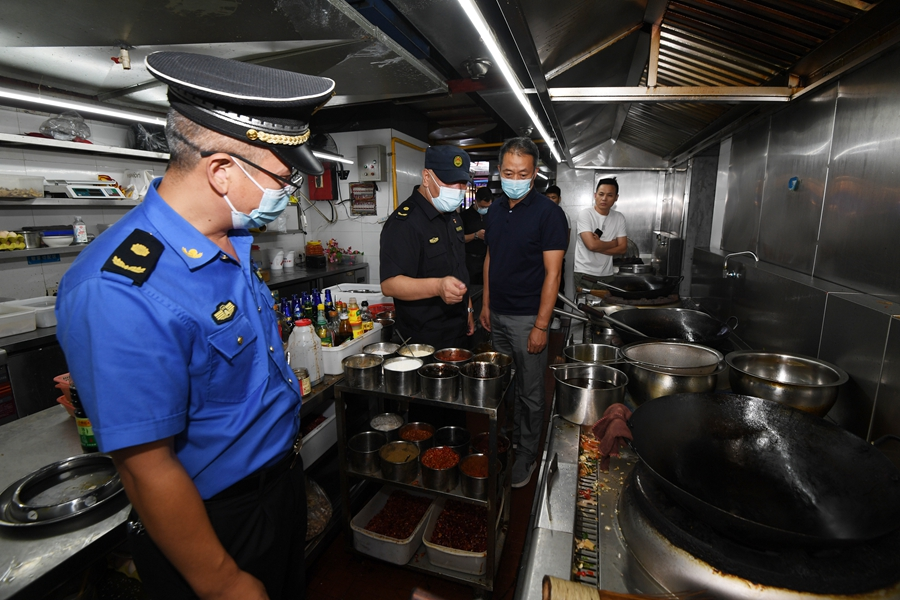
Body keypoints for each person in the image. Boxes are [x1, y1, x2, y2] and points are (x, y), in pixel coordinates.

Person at [55, 52, 334, 600]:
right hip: (212, 524)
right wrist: (222, 582)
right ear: (222, 170)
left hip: (278, 488)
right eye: (284, 178)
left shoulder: (230, 239)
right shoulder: (120, 288)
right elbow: (146, 468)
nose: (289, 192)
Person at [480, 138, 567, 489]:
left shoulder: (549, 214)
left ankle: (527, 453)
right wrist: (486, 304)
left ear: (534, 174)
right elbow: (491, 258)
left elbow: (553, 274)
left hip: (528, 317)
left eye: (522, 173)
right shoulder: (495, 210)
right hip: (498, 315)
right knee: (504, 386)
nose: (514, 178)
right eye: (508, 172)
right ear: (499, 171)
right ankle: (508, 439)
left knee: (531, 392)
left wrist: (541, 326)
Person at [380, 145, 475, 350]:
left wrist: (468, 309)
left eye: (462, 183)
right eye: (449, 181)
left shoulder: (452, 217)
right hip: (424, 339)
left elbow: (459, 267)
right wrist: (437, 286)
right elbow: (389, 284)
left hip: (458, 328)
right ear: (426, 177)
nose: (457, 189)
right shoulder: (404, 223)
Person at [574, 177, 627, 291]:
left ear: (616, 198)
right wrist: (613, 243)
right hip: (585, 273)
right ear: (595, 195)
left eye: (610, 195)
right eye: (601, 194)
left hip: (607, 274)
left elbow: (623, 248)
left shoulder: (619, 217)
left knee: (606, 303)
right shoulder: (585, 215)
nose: (604, 198)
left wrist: (599, 245)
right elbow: (592, 245)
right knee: (584, 302)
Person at [545, 185, 570, 322]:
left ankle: (557, 318)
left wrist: (558, 258)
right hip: (542, 260)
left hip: (557, 259)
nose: (550, 200)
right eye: (548, 197)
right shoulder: (541, 214)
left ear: (559, 199)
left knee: (558, 288)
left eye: (553, 198)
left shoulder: (563, 215)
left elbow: (566, 239)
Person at [461, 186, 493, 286]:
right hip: (470, 261)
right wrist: (476, 235)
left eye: (487, 207)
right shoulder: (464, 216)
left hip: (487, 259)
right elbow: (458, 239)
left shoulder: (492, 215)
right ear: (476, 201)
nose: (485, 209)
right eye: (482, 206)